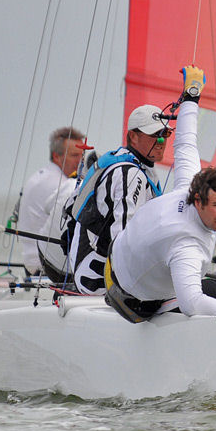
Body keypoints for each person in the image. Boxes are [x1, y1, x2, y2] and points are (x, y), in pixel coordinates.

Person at [104, 66, 216, 323]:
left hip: (116, 259)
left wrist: (191, 96)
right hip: (127, 298)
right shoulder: (186, 244)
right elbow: (191, 303)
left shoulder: (191, 184)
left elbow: (186, 142)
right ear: (198, 201)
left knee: (203, 279)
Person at [66, 104, 170, 294]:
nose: (161, 140)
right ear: (133, 136)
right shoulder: (129, 174)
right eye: (154, 134)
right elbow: (123, 239)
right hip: (97, 279)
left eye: (165, 134)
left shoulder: (126, 162)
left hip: (93, 268)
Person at [17, 127, 85, 275]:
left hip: (33, 262)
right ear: (56, 156)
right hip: (44, 268)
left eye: (82, 155)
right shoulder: (58, 183)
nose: (81, 162)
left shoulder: (41, 176)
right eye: (74, 155)